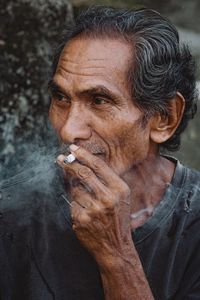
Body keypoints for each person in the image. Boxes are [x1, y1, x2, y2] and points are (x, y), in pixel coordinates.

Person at [0, 5, 199, 300]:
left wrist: (117, 256)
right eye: (60, 97)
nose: (69, 131)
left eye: (99, 100)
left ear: (165, 118)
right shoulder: (9, 215)